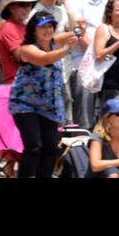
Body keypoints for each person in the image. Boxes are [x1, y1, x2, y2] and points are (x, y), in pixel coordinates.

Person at [9, 11, 71, 178]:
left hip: (49, 105)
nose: (47, 30)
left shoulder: (54, 43)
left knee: (51, 147)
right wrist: (67, 49)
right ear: (33, 30)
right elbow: (45, 59)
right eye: (42, 27)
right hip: (25, 105)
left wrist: (81, 28)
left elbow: (75, 33)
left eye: (50, 26)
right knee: (34, 146)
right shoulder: (27, 49)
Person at [65, 0, 113, 128]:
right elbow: (79, 33)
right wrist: (99, 53)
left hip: (108, 63)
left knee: (108, 118)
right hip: (83, 66)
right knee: (84, 120)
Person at [0, 0, 38, 84]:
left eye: (30, 4)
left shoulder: (25, 27)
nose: (28, 9)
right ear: (11, 8)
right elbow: (22, 57)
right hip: (17, 85)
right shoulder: (8, 27)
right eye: (23, 5)